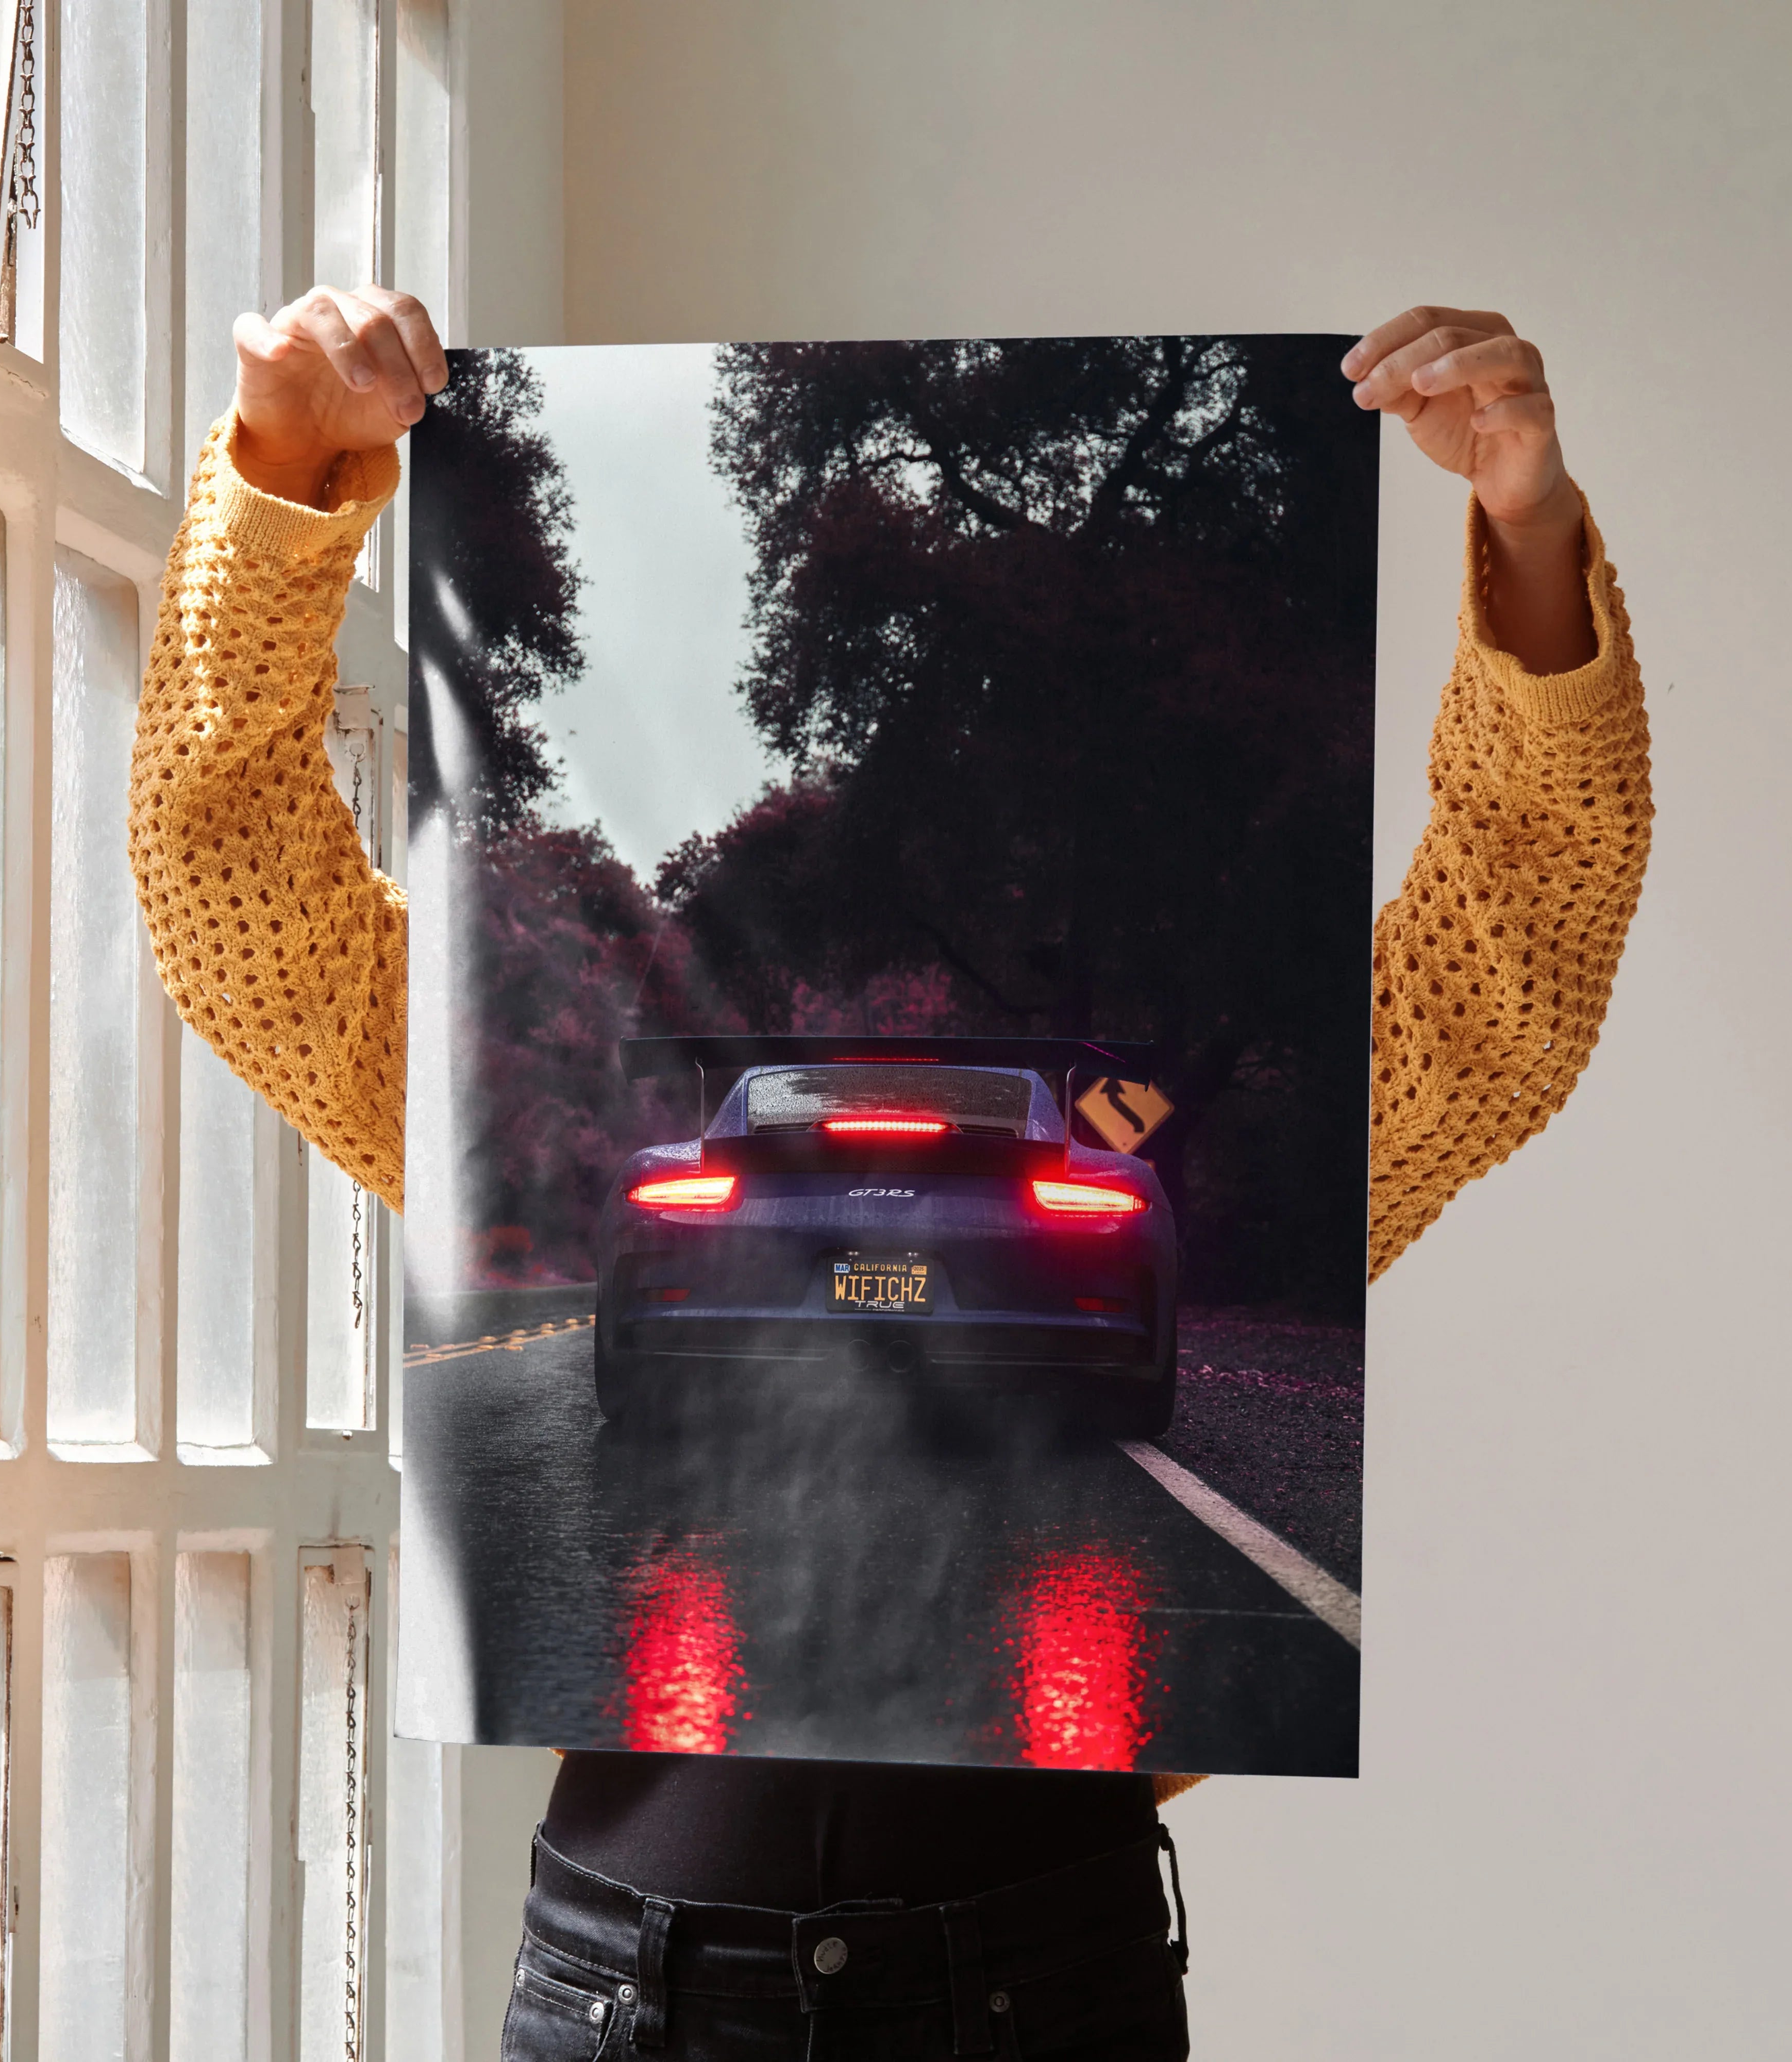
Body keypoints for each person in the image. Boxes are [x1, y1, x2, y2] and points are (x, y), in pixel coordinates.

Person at [130, 287, 1650, 2060]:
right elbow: (237, 903)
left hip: (995, 1976)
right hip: (684, 1984)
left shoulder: (678, 1167)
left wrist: (1529, 528)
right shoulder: (561, 1113)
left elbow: (1509, 964)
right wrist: (280, 473)